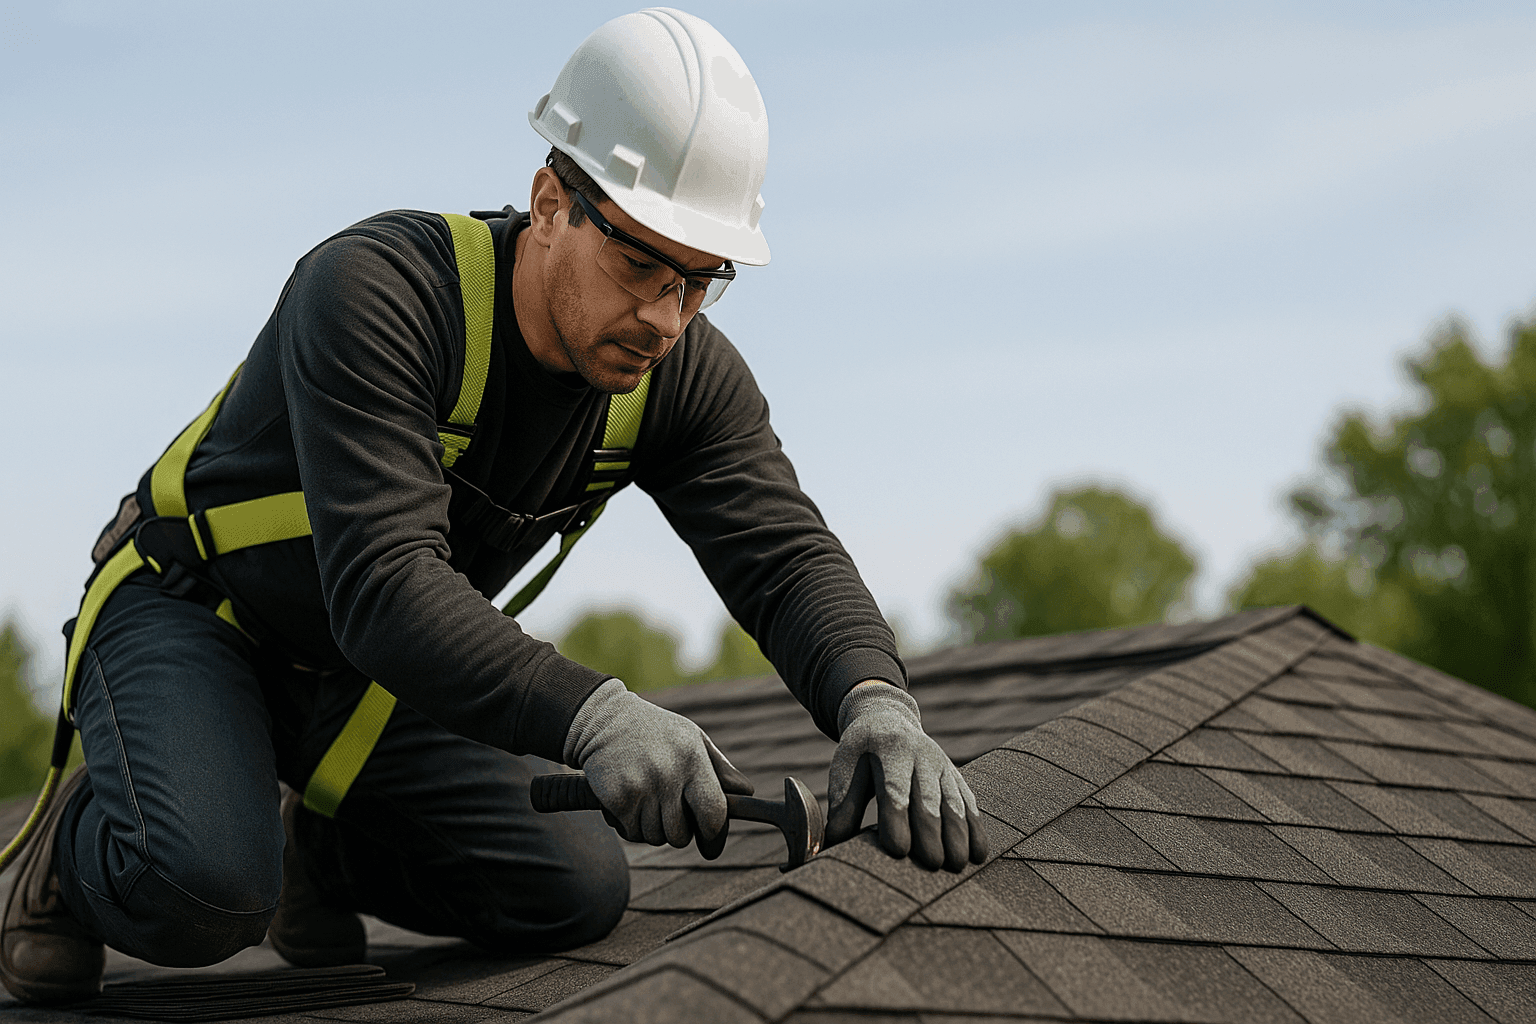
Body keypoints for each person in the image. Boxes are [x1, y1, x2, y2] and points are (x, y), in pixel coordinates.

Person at [0, 7, 986, 1005]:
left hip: (361, 679)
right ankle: (64, 868)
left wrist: (876, 701)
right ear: (550, 202)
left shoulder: (679, 378)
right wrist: (594, 714)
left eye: (700, 283)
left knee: (573, 886)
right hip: (196, 613)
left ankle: (324, 857)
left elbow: (782, 557)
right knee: (204, 885)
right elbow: (386, 586)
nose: (664, 318)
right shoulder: (377, 291)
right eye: (641, 263)